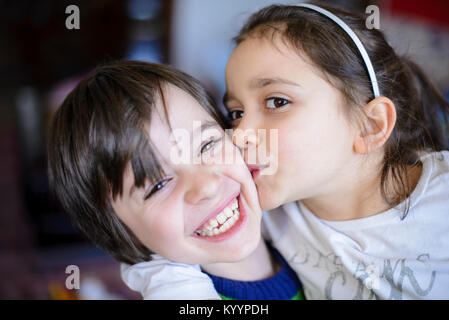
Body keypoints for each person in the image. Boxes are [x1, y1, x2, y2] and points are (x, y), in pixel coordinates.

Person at [122, 3, 449, 299]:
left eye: (277, 102)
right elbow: (160, 254)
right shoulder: (265, 210)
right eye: (236, 114)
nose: (239, 136)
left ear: (370, 125)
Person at [47, 60, 304, 300]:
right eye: (158, 185)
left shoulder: (306, 219)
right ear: (118, 232)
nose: (207, 186)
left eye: (207, 146)